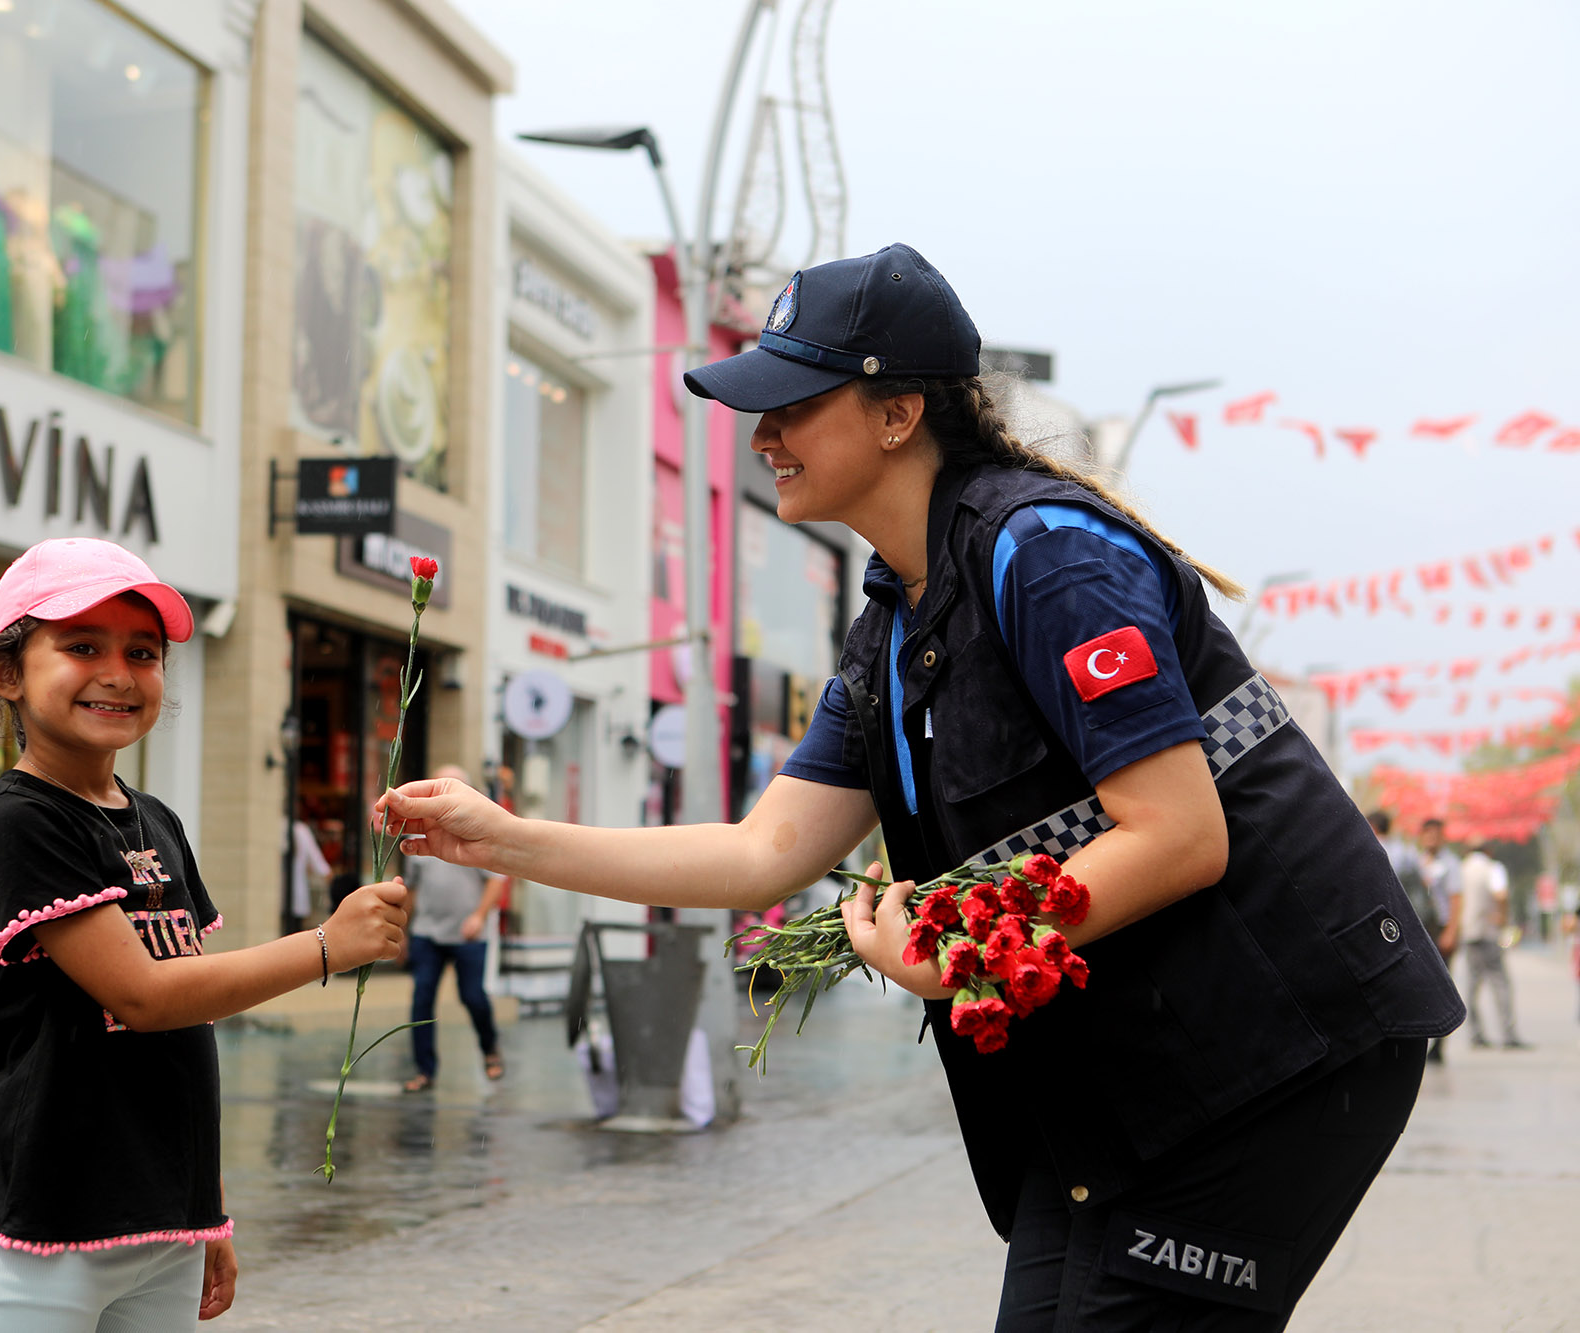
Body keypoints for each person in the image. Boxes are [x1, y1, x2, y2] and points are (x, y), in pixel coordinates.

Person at [380, 244, 1464, 1331]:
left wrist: (954, 951)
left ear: (896, 414)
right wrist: (503, 840)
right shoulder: (889, 626)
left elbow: (1179, 834)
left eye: (792, 406)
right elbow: (764, 852)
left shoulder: (1045, 559)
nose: (761, 437)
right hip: (1128, 1071)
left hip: (1279, 1049)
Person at [0, 538, 408, 1331]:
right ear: (6, 673)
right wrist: (326, 945)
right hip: (52, 1230)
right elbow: (144, 997)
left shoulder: (154, 818)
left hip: (164, 1225)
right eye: (82, 646)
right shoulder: (22, 821)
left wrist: (209, 1211)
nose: (119, 672)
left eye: (144, 652)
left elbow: (184, 1039)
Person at [399, 764, 506, 1093]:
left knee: (473, 997)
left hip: (467, 934)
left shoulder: (478, 833)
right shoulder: (418, 835)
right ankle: (425, 1071)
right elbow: (411, 890)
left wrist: (478, 915)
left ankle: (490, 1051)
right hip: (427, 932)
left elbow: (495, 883)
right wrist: (402, 929)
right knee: (421, 1001)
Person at [1455, 839, 1526, 1050]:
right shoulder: (1493, 868)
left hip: (1469, 933)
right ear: (1489, 850)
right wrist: (1502, 918)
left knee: (1472, 985)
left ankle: (1476, 1034)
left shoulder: (1462, 868)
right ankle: (1508, 1034)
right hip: (1488, 932)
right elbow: (1501, 895)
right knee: (1500, 983)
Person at [1415, 816, 1463, 1062]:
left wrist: (1452, 931)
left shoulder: (1451, 863)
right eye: (1427, 834)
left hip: (1442, 927)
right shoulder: (1419, 861)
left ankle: (1440, 1047)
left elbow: (1456, 898)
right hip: (1423, 927)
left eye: (1436, 834)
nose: (1431, 839)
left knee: (1443, 986)